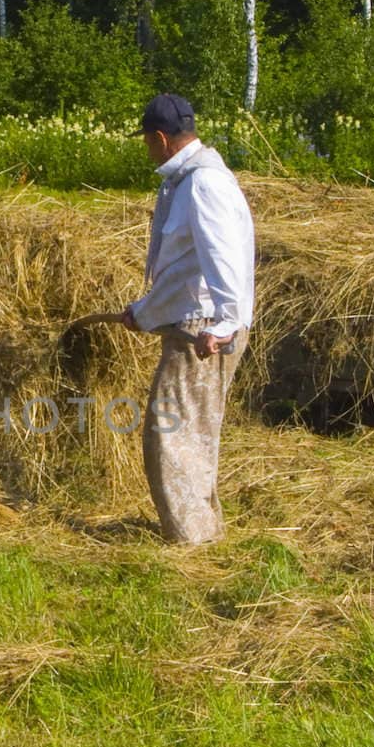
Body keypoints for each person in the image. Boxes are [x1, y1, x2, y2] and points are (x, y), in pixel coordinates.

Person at [121, 93, 256, 544]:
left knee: (172, 437)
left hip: (203, 331)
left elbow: (220, 260)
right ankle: (202, 531)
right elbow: (186, 265)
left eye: (147, 140)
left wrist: (222, 325)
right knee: (190, 433)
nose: (146, 148)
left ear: (161, 138)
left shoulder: (203, 185)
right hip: (197, 324)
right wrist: (144, 313)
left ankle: (193, 541)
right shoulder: (191, 181)